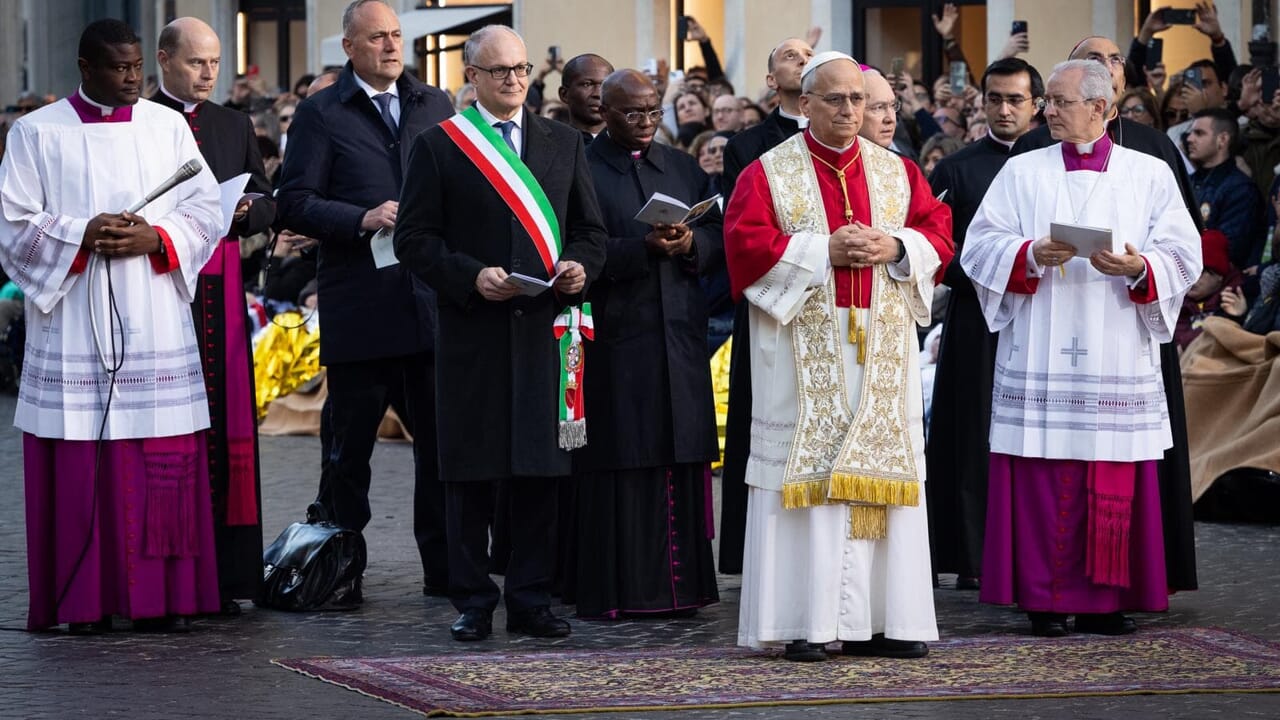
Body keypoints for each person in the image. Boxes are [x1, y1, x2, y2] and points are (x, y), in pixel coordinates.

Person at [726, 51, 953, 662]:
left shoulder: (897, 171)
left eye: (858, 99)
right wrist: (821, 251)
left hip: (882, 349)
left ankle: (887, 620)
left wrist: (896, 246)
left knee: (884, 479)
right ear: (805, 105)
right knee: (809, 482)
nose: (850, 110)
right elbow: (744, 246)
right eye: (835, 99)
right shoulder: (768, 172)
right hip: (801, 354)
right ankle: (807, 621)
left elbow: (937, 233)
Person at [0, 19, 225, 632]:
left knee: (163, 461)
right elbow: (14, 226)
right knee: (81, 464)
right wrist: (82, 233)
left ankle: (165, 599)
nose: (132, 79)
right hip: (75, 319)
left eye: (137, 68)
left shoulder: (166, 127)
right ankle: (85, 602)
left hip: (153, 316)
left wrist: (159, 236)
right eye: (119, 68)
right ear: (85, 67)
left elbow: (206, 208)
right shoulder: (36, 133)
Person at [964, 59, 1201, 637]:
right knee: (1040, 474)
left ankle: (1107, 601)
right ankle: (1043, 600)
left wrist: (1139, 267)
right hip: (1041, 344)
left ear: (1101, 107)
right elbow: (979, 244)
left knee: (1111, 471)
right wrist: (1027, 254)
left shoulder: (1148, 173)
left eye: (1060, 101)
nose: (1048, 110)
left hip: (1115, 343)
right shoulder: (1022, 171)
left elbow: (1183, 251)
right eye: (1047, 100)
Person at [393, 24, 607, 642]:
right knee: (471, 473)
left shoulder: (563, 141)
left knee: (540, 473)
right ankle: (473, 600)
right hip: (474, 334)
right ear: (472, 77)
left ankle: (532, 599)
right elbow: (414, 239)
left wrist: (580, 267)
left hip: (544, 332)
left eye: (521, 69)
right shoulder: (441, 145)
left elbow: (589, 231)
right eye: (500, 71)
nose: (514, 80)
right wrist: (469, 276)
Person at [274, 0, 454, 602]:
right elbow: (295, 202)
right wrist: (361, 217)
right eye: (377, 37)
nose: (392, 45)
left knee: (441, 448)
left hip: (428, 304)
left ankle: (446, 571)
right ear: (349, 47)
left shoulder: (434, 104)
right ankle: (337, 572)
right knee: (348, 452)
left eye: (397, 35)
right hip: (361, 307)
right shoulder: (322, 112)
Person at [566, 69, 721, 618]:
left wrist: (689, 242)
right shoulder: (581, 167)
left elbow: (718, 235)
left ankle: (685, 590)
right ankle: (623, 591)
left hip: (679, 334)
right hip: (616, 336)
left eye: (654, 111)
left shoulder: (681, 166)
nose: (646, 122)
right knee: (624, 455)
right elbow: (572, 247)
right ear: (604, 112)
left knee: (680, 450)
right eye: (633, 113)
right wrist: (641, 249)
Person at [151, 16, 275, 615]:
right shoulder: (142, 121)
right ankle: (170, 576)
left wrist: (250, 210)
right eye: (196, 62)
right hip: (160, 289)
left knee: (226, 425)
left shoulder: (232, 123)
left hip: (220, 292)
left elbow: (267, 200)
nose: (208, 73)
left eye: (215, 63)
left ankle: (227, 576)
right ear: (164, 59)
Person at [925, 58, 1045, 592]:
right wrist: (993, 275)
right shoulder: (956, 168)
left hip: (1043, 317)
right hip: (978, 316)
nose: (1003, 109)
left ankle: (1032, 549)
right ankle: (973, 554)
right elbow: (936, 246)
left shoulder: (1053, 165)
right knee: (975, 432)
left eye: (1015, 99)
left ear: (1037, 104)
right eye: (993, 98)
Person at [716, 36, 814, 576]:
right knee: (761, 422)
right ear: (772, 81)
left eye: (809, 55)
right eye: (791, 56)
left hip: (831, 301)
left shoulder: (850, 141)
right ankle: (753, 549)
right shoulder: (747, 145)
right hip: (771, 296)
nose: (803, 61)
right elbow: (748, 226)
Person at [1185, 108, 1264, 271]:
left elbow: (1231, 250)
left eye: (1199, 133)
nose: (1190, 139)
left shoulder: (1240, 190)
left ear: (1222, 139)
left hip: (1214, 279)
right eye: (1191, 133)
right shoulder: (1187, 182)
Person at [558, 54, 614, 144]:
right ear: (564, 94)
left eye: (605, 86)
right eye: (587, 84)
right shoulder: (551, 145)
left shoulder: (629, 145)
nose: (598, 94)